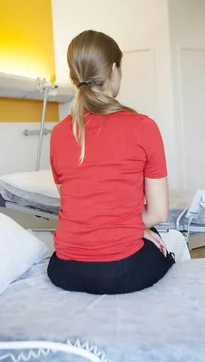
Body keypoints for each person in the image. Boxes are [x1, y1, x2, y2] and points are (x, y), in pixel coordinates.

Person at [47, 30, 175, 295]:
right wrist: (135, 230)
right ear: (114, 69)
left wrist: (127, 229)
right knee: (163, 242)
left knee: (147, 236)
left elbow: (80, 207)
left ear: (74, 77)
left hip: (64, 270)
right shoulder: (143, 127)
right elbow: (159, 213)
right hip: (121, 271)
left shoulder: (59, 133)